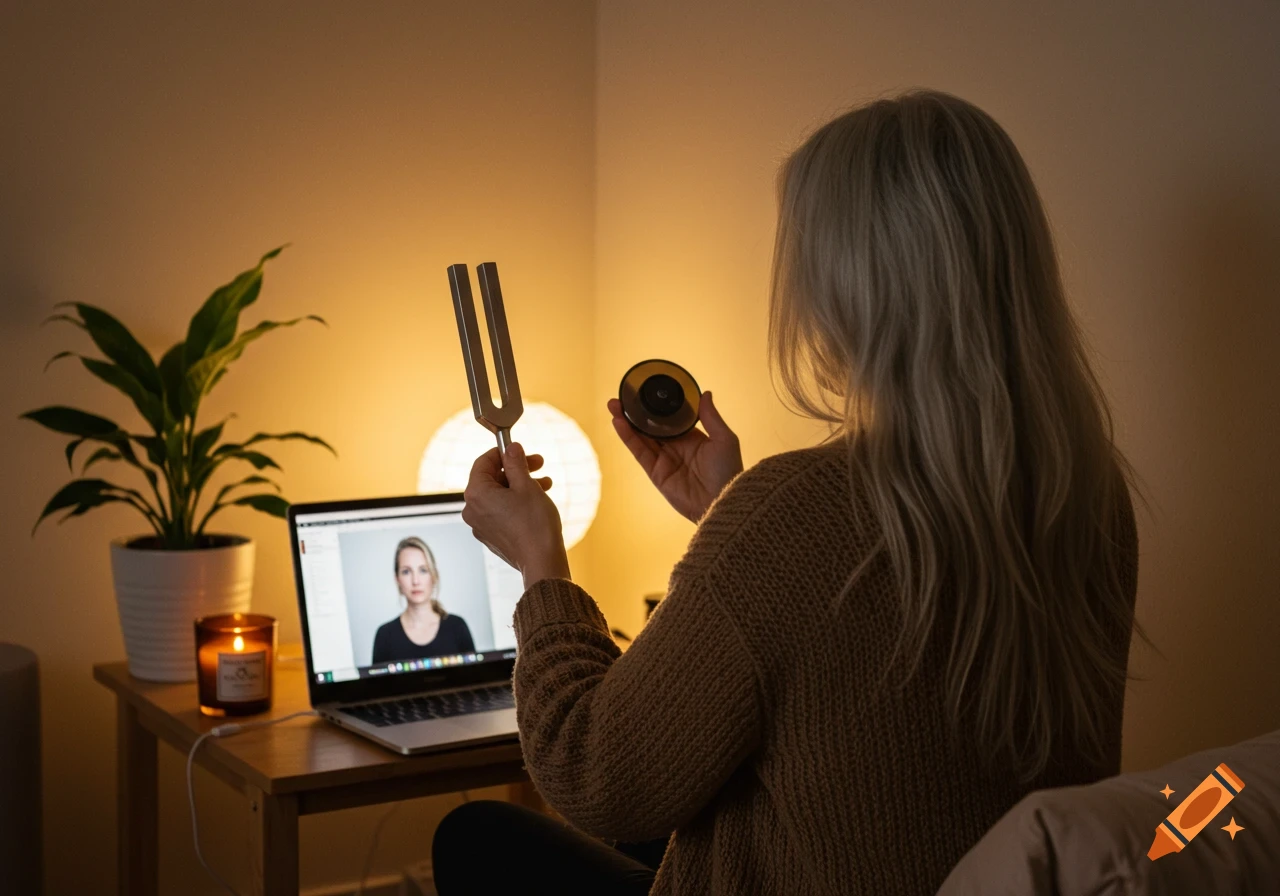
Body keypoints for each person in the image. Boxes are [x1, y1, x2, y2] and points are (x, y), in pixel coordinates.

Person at [437, 89, 1143, 895]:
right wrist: (727, 515)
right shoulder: (1084, 496)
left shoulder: (799, 511)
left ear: (845, 287)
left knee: (477, 836)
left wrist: (540, 565)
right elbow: (863, 706)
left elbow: (598, 777)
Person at [370, 536, 474, 664]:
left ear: (434, 576)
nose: (415, 581)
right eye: (406, 571)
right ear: (397, 579)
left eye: (423, 570)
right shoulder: (385, 635)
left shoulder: (457, 627)